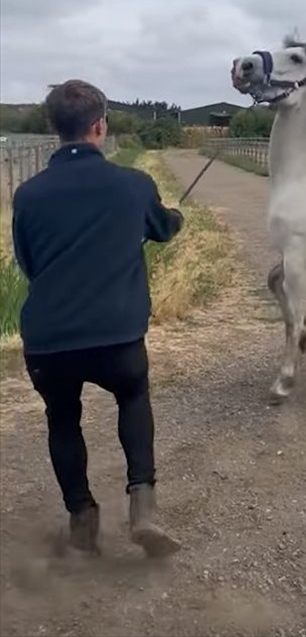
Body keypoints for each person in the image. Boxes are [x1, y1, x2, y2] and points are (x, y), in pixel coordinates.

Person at [11, 79, 184, 558]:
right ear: (101, 125)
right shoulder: (133, 185)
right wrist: (175, 218)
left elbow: (28, 263)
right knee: (133, 397)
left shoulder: (27, 195)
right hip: (117, 336)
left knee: (62, 420)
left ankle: (82, 519)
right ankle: (143, 509)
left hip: (48, 339)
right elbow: (163, 229)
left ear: (54, 128)